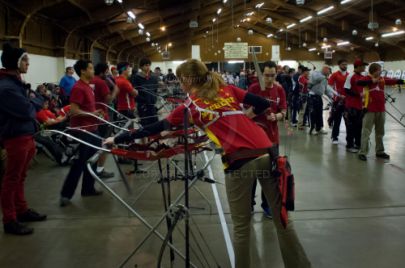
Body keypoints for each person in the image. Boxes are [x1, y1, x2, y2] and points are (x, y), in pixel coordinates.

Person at [104, 59, 311, 268]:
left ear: (188, 79)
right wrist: (242, 119)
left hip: (240, 161)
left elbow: (156, 127)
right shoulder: (227, 89)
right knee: (282, 219)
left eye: (180, 79)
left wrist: (118, 139)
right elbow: (263, 104)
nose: (179, 83)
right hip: (268, 152)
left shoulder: (191, 105)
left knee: (241, 228)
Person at [0, 43, 47, 235]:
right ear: (15, 62)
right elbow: (28, 110)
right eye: (25, 60)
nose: (28, 63)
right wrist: (36, 99)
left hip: (25, 135)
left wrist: (32, 100)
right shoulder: (6, 87)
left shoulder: (15, 83)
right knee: (11, 180)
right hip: (16, 137)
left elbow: (29, 106)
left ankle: (22, 210)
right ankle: (10, 220)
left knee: (20, 177)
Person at [59, 60, 104, 207]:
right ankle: (66, 195)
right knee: (78, 164)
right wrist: (92, 114)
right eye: (90, 68)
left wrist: (95, 114)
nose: (93, 71)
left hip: (92, 130)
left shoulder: (88, 87)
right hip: (81, 132)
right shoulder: (78, 88)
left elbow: (87, 109)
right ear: (83, 71)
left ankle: (88, 189)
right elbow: (74, 111)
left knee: (92, 161)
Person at [247, 61, 287, 218]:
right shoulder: (254, 89)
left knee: (270, 175)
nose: (270, 79)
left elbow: (284, 110)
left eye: (273, 75)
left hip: (272, 138)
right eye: (266, 75)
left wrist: (276, 116)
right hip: (254, 138)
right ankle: (249, 204)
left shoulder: (279, 89)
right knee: (251, 174)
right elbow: (245, 113)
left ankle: (267, 205)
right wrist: (257, 110)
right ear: (261, 74)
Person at [357, 63, 404, 161]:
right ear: (373, 70)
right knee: (366, 131)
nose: (380, 71)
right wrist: (371, 81)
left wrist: (402, 81)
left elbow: (393, 80)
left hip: (381, 109)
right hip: (369, 109)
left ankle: (380, 151)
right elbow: (358, 83)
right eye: (379, 69)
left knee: (380, 132)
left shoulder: (382, 79)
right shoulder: (366, 78)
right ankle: (363, 152)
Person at [91, 63, 119, 179]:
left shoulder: (91, 80)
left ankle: (94, 169)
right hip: (102, 115)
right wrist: (115, 91)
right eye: (107, 72)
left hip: (93, 115)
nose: (108, 74)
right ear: (102, 72)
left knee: (96, 143)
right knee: (106, 142)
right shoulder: (101, 82)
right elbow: (108, 99)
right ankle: (99, 169)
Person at [344, 59, 368, 153]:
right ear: (358, 66)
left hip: (359, 105)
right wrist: (358, 95)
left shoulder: (362, 76)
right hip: (351, 105)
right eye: (363, 66)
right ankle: (349, 145)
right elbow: (346, 89)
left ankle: (358, 144)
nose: (365, 67)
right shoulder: (351, 76)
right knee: (351, 126)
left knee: (359, 126)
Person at [132, 58, 159, 126]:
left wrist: (154, 99)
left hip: (152, 105)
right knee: (144, 125)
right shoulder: (136, 77)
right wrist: (142, 100)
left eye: (149, 65)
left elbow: (155, 90)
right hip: (142, 106)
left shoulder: (153, 78)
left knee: (155, 124)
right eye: (146, 65)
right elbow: (134, 92)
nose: (148, 67)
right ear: (141, 67)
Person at [308, 66, 335, 135]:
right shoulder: (316, 73)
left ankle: (319, 128)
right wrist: (324, 77)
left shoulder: (325, 78)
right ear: (325, 69)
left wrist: (331, 97)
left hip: (319, 97)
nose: (329, 74)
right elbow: (315, 79)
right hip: (312, 96)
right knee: (313, 113)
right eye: (329, 72)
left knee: (319, 113)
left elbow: (326, 89)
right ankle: (312, 129)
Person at [328, 59, 349, 144]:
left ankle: (349, 139)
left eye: (346, 64)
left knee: (348, 121)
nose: (345, 66)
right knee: (337, 120)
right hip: (338, 100)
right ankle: (335, 137)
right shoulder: (335, 75)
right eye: (343, 64)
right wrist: (337, 95)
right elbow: (329, 86)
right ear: (339, 65)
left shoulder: (349, 75)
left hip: (348, 101)